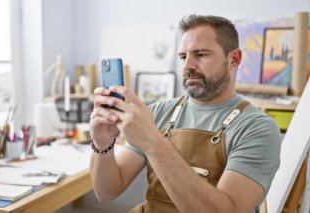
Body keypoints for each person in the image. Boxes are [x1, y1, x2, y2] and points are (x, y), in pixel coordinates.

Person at [89, 14, 281, 212]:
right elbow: (107, 192)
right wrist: (102, 143)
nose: (188, 66)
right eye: (183, 56)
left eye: (201, 54)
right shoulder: (156, 112)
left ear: (234, 58)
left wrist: (153, 142)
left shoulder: (258, 128)